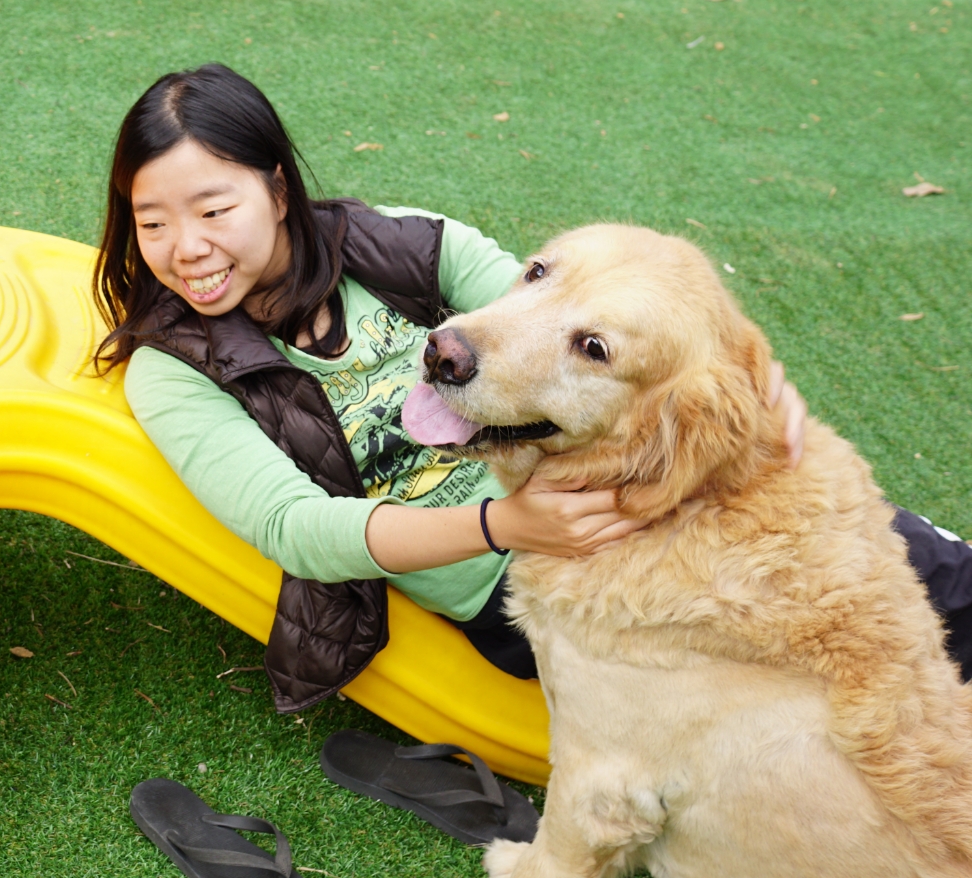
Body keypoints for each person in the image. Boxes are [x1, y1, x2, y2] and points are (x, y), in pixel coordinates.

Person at [95, 64, 972, 711]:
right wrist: (505, 525)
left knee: (860, 553)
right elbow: (298, 530)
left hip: (604, 484)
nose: (187, 249)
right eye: (152, 222)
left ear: (278, 191)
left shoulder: (399, 245)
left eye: (214, 210)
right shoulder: (175, 370)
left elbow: (577, 321)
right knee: (805, 661)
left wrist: (749, 379)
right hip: (511, 580)